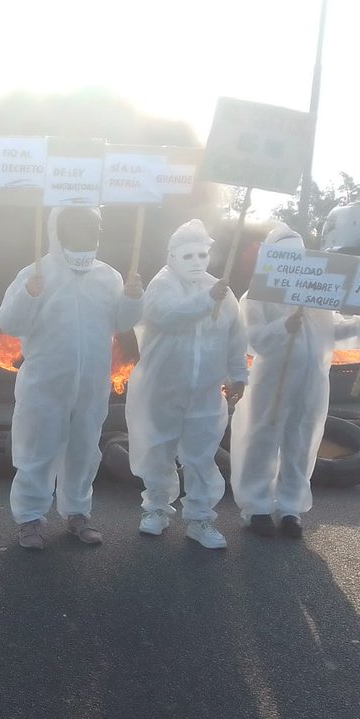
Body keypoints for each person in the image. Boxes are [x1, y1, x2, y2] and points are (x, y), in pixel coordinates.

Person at [0, 206, 144, 549]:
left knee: (84, 449)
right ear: (58, 230)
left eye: (96, 228)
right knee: (37, 448)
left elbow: (121, 322)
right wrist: (29, 294)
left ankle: (78, 512)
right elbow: (9, 322)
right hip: (45, 381)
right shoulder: (36, 273)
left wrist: (133, 299)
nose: (91, 235)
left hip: (91, 383)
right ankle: (30, 518)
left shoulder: (108, 276)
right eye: (80, 227)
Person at [230, 224, 360, 538]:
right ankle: (257, 507)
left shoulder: (318, 293)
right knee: (263, 443)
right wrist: (282, 327)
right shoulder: (258, 294)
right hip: (273, 383)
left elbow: (336, 330)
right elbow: (253, 340)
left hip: (311, 382)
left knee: (301, 444)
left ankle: (290, 508)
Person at [126, 219, 248, 550]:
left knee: (201, 456)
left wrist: (238, 374)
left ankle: (200, 518)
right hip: (162, 388)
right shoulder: (161, 285)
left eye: (201, 254)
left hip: (206, 392)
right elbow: (165, 316)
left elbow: (236, 336)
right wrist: (207, 300)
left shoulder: (222, 292)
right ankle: (155, 509)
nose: (196, 261)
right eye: (188, 255)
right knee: (158, 450)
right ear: (172, 256)